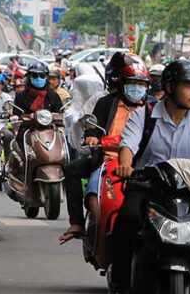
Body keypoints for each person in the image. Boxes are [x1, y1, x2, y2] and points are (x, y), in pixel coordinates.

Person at [111, 60, 190, 294]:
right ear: (169, 87)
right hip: (147, 186)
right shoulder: (144, 115)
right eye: (189, 86)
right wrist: (126, 166)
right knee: (126, 221)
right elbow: (128, 145)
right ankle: (120, 281)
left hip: (188, 189)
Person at [60, 55, 151, 244]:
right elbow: (93, 126)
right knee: (85, 186)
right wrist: (92, 136)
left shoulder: (153, 109)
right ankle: (78, 223)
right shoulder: (106, 103)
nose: (136, 88)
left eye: (140, 84)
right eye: (132, 83)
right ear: (122, 84)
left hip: (143, 164)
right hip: (107, 161)